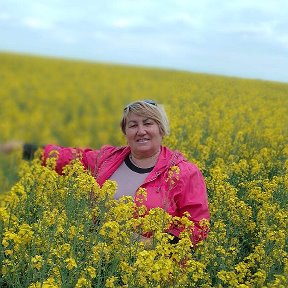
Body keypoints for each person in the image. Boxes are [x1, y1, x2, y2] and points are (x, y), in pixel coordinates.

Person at [0, 100, 210, 244]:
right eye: (133, 125)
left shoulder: (184, 172)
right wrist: (21, 147)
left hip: (154, 271)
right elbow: (66, 158)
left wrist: (149, 244)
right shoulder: (107, 159)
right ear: (125, 132)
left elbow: (197, 228)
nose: (141, 131)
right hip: (100, 259)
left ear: (162, 129)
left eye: (148, 123)